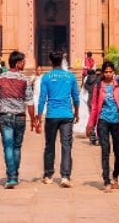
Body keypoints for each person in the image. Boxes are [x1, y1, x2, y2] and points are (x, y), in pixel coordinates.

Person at [0, 50, 35, 189]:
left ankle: (11, 177)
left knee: (8, 147)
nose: (25, 63)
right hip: (20, 117)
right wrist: (33, 120)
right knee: (16, 147)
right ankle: (14, 174)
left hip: (5, 116)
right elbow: (30, 101)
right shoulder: (24, 80)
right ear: (18, 63)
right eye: (23, 61)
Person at [34, 50, 79, 187]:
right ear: (62, 61)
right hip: (66, 115)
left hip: (52, 115)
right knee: (66, 146)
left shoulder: (46, 77)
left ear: (50, 61)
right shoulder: (70, 77)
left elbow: (42, 98)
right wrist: (76, 112)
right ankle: (65, 176)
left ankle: (48, 175)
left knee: (49, 145)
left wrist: (39, 116)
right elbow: (75, 97)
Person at [85, 60, 119, 191]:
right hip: (103, 120)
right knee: (105, 150)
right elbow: (94, 106)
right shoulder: (99, 86)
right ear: (103, 73)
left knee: (118, 151)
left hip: (117, 121)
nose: (108, 74)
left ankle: (115, 176)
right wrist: (90, 124)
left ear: (113, 72)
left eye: (110, 71)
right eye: (106, 72)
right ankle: (106, 180)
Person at [81, 66, 102, 145]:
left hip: (90, 100)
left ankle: (92, 138)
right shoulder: (98, 79)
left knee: (92, 119)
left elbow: (85, 87)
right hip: (97, 100)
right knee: (100, 120)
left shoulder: (87, 80)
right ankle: (99, 138)